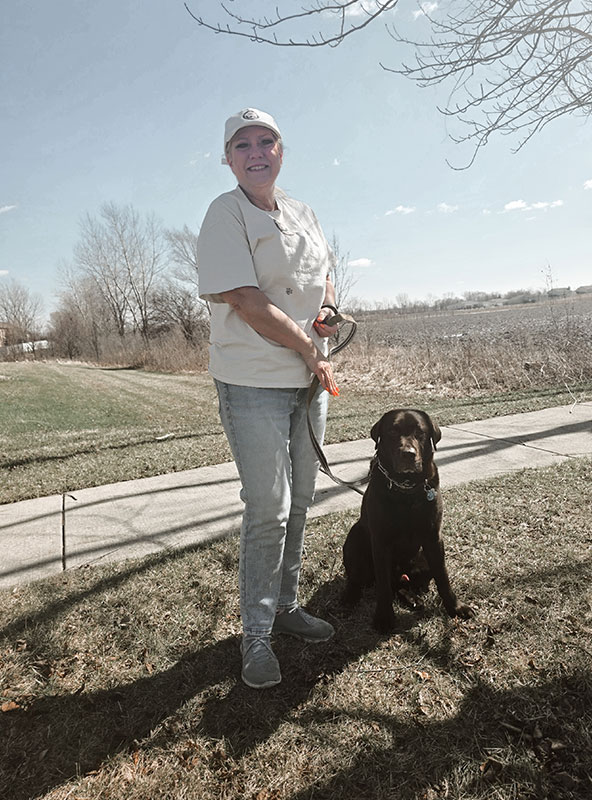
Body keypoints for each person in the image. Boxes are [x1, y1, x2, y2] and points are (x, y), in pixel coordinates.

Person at [196, 108, 340, 689]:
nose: (257, 152)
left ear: (282, 150)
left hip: (308, 382)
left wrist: (327, 311)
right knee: (269, 510)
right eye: (243, 144)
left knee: (301, 499)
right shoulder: (223, 213)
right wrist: (311, 349)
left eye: (267, 141)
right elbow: (250, 304)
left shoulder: (304, 212)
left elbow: (325, 277)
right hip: (252, 381)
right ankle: (255, 634)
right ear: (227, 158)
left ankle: (286, 606)